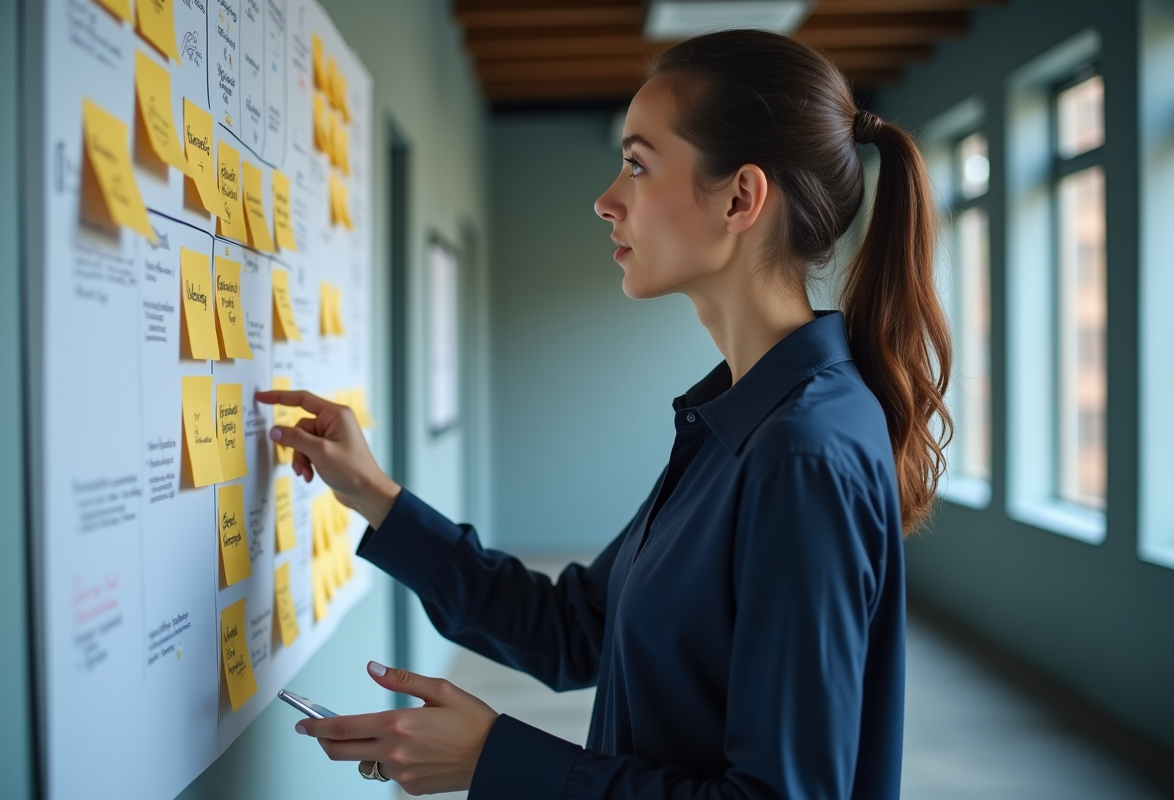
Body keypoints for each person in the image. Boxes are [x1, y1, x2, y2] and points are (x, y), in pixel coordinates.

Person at [256, 28, 951, 800]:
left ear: (739, 198)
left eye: (637, 165)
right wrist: (375, 497)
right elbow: (575, 628)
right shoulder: (737, 419)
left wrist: (494, 760)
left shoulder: (800, 451)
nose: (605, 199)